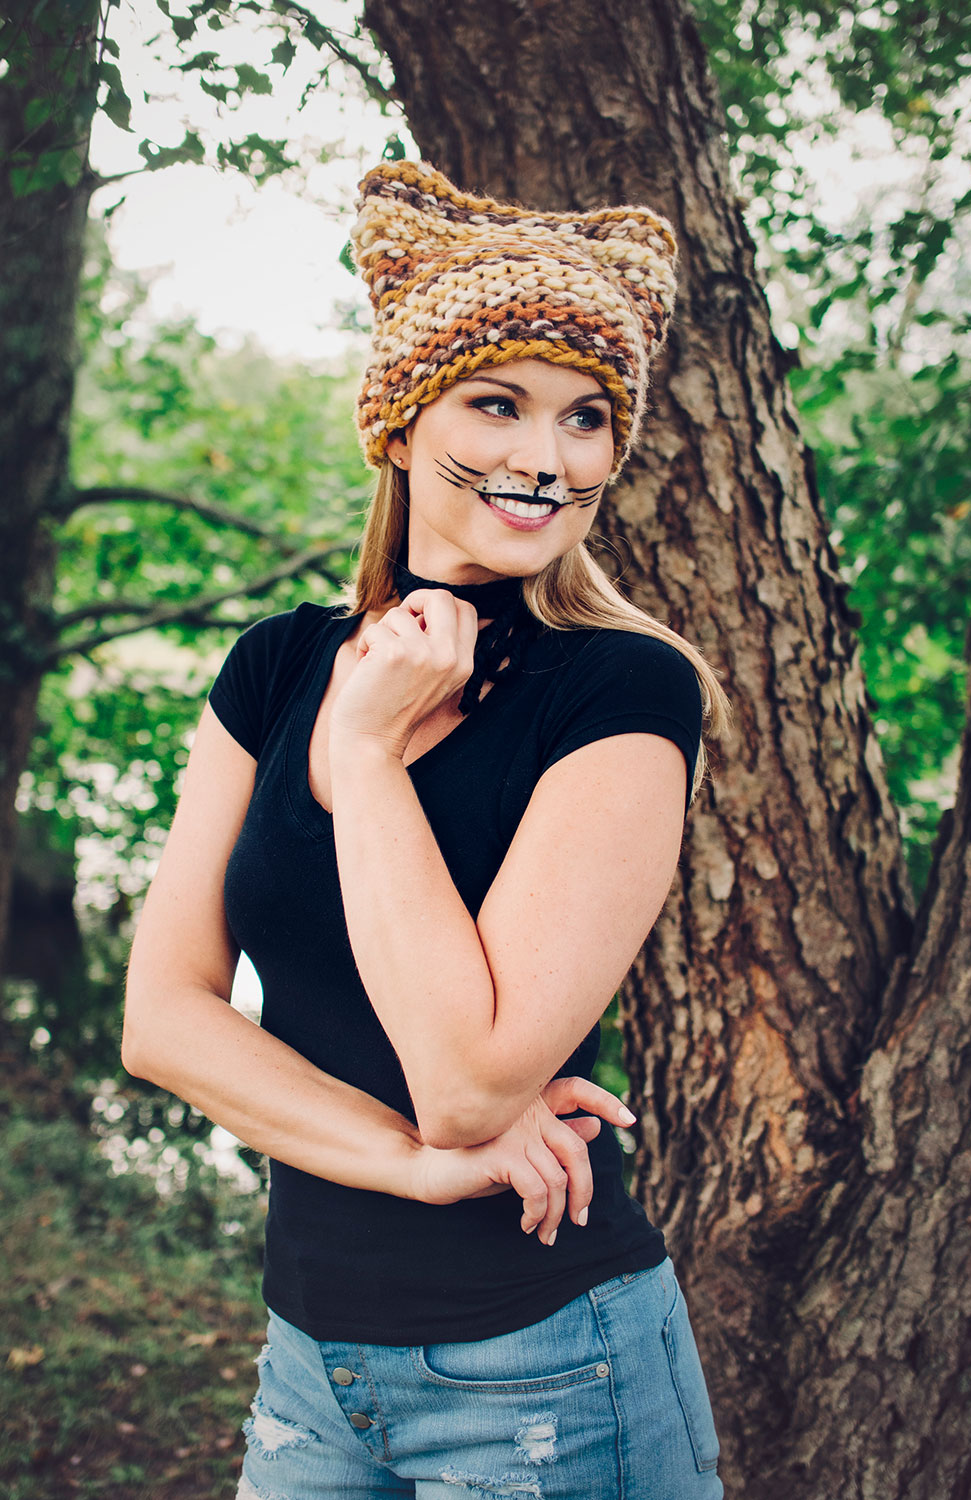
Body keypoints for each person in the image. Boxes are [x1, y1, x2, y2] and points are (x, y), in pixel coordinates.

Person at [123, 159, 729, 1499]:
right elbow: (165, 1019)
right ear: (399, 426)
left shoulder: (624, 689)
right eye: (497, 402)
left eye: (586, 419)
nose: (544, 458)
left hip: (549, 1366)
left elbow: (469, 1080)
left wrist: (366, 754)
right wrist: (410, 1163)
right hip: (310, 1363)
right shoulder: (280, 665)